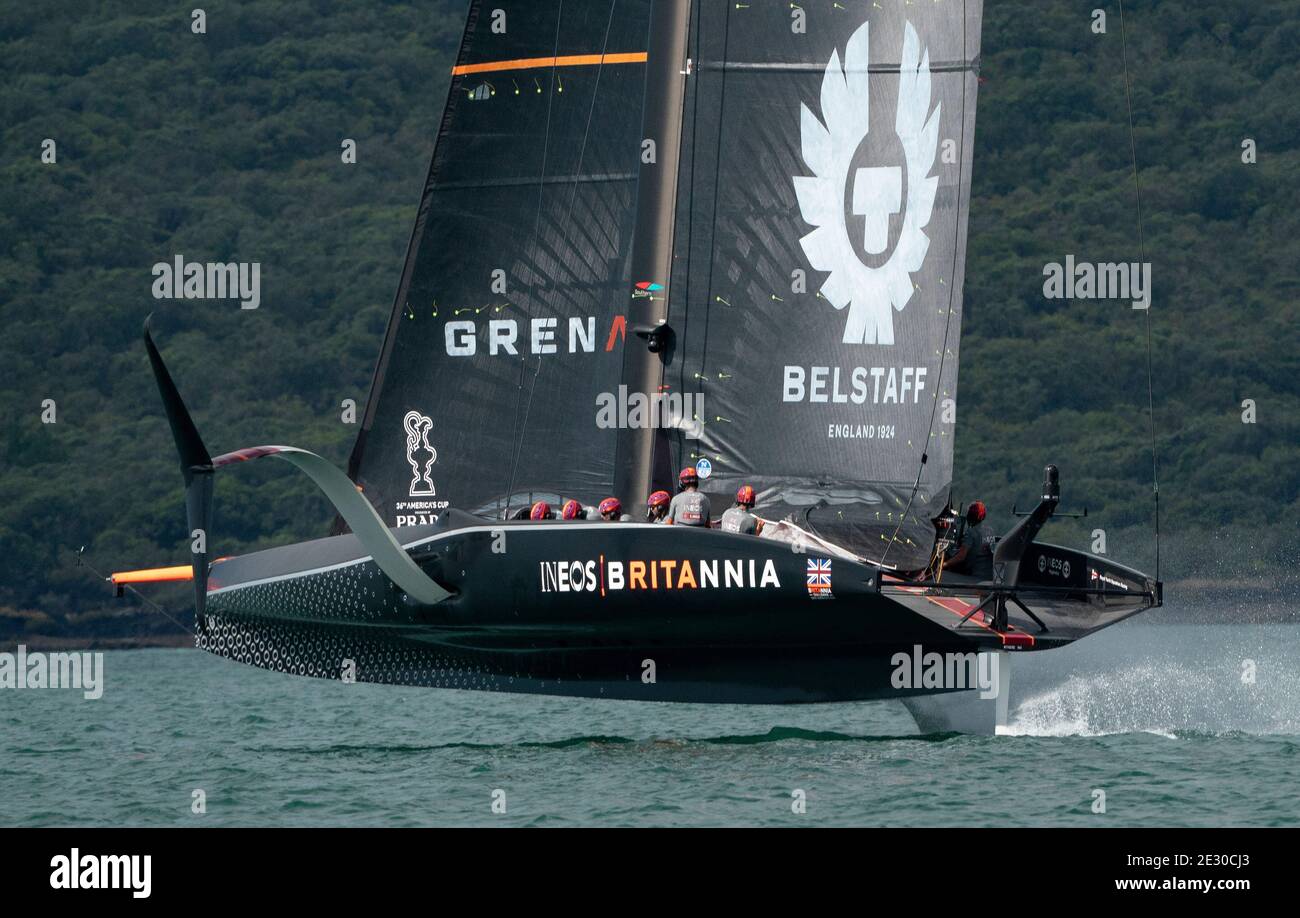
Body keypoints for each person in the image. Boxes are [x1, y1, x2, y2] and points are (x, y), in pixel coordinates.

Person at [947, 500, 994, 580]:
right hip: (989, 576)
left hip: (975, 577)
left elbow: (961, 557)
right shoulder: (989, 530)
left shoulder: (971, 532)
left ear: (970, 516)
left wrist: (944, 564)